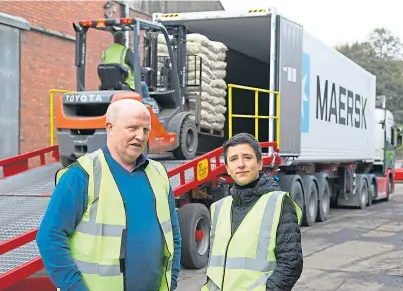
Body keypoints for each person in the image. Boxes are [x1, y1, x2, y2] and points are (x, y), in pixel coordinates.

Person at [36, 99, 181, 291]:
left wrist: (172, 280)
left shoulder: (158, 173)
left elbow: (174, 233)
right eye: (132, 128)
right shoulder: (82, 175)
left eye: (145, 130)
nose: (140, 136)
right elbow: (49, 237)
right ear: (110, 128)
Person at [202, 133, 303, 291]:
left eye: (247, 157)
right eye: (234, 159)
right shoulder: (218, 208)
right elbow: (214, 265)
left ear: (260, 163)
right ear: (227, 168)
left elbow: (291, 264)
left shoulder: (278, 203)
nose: (240, 164)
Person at [101, 31, 151, 99]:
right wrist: (146, 70)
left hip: (108, 84)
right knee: (143, 85)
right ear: (124, 40)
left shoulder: (106, 51)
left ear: (114, 40)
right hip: (126, 83)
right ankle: (147, 105)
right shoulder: (126, 51)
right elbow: (136, 68)